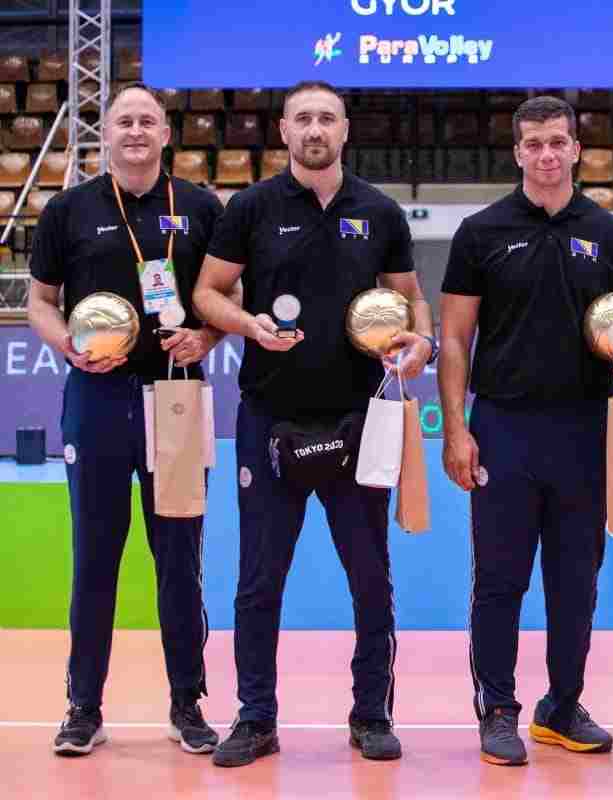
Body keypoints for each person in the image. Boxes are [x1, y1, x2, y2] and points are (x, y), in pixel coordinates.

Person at [193, 80, 434, 767]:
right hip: (269, 420)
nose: (315, 129)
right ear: (284, 130)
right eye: (303, 118)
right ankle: (255, 718)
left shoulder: (378, 211)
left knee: (371, 579)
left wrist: (419, 342)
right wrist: (248, 325)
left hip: (361, 420)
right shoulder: (250, 208)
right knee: (259, 581)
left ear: (345, 130)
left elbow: (412, 301)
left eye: (326, 117)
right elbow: (207, 292)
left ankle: (371, 714)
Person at [438, 95, 613, 766]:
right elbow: (454, 340)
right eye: (534, 143)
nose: (546, 154)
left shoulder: (611, 233)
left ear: (576, 150)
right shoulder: (480, 232)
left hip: (585, 429)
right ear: (517, 152)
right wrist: (455, 430)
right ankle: (497, 710)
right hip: (503, 428)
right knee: (500, 580)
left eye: (557, 142)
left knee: (576, 582)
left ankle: (562, 706)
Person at [27, 83, 228, 757]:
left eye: (147, 121)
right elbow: (41, 302)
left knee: (180, 559)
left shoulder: (200, 207)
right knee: (95, 557)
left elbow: (229, 293)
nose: (136, 131)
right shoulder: (69, 209)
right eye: (124, 122)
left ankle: (187, 703)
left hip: (177, 394)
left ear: (167, 134)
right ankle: (83, 707)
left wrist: (206, 336)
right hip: (99, 398)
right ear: (105, 135)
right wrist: (68, 345)